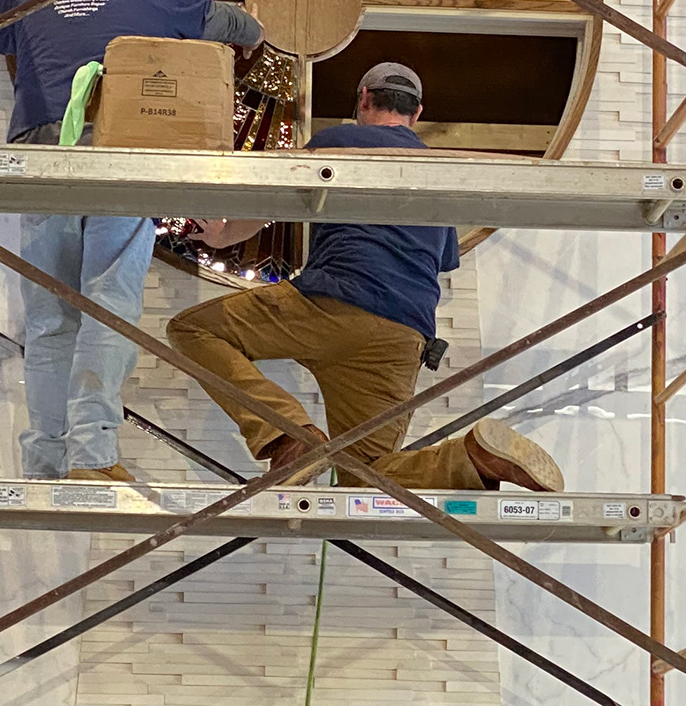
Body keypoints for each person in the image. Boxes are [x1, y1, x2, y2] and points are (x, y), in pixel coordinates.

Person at [169, 60, 563, 492]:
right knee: (365, 479)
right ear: (416, 112)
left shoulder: (338, 143)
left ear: (363, 99)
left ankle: (287, 435)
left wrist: (224, 235)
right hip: (402, 337)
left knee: (193, 330)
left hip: (332, 304)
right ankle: (472, 459)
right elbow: (443, 259)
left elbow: (272, 200)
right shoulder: (438, 175)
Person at [0, 0, 263, 481]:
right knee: (108, 305)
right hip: (118, 156)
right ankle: (93, 457)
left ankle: (46, 461)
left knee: (50, 319)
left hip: (40, 159)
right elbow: (243, 30)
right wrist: (245, 20)